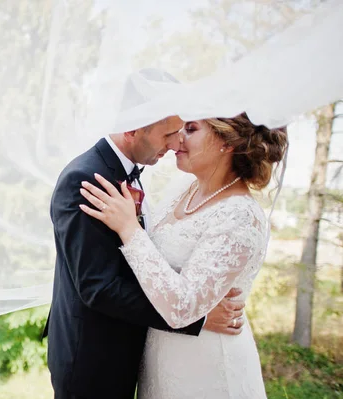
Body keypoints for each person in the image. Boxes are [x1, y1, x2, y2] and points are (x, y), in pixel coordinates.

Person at [42, 69, 248, 399]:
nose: (176, 143)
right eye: (168, 135)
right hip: (93, 361)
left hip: (130, 351)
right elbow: (98, 287)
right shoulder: (84, 180)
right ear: (133, 128)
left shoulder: (132, 170)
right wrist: (196, 317)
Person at [80, 113, 287, 398]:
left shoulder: (241, 215)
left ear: (227, 142)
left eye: (190, 129)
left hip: (206, 366)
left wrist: (129, 228)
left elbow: (182, 306)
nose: (177, 139)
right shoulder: (183, 191)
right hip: (160, 358)